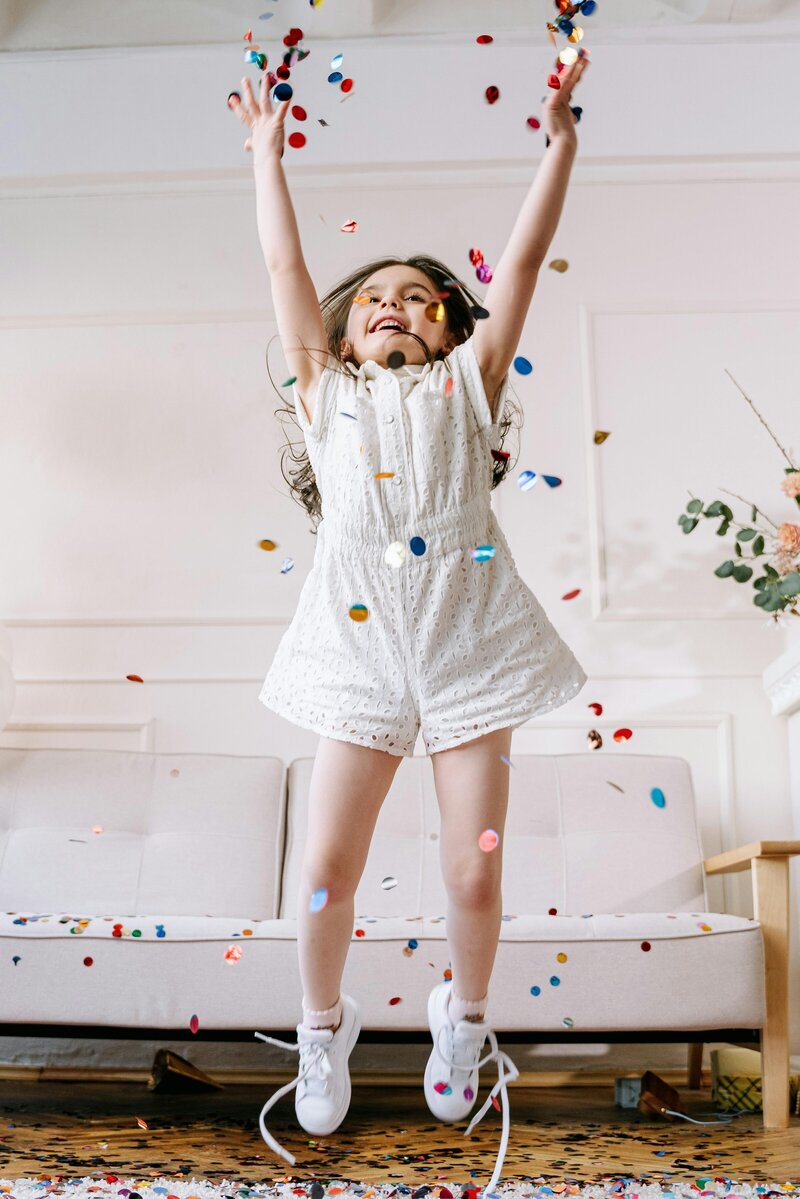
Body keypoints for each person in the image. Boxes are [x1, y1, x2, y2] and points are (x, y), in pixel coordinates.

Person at [229, 50, 589, 1193]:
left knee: (472, 874)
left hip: (468, 651)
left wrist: (558, 141)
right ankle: (322, 1024)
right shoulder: (323, 393)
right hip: (357, 654)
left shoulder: (467, 386)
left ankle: (464, 1020)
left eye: (417, 296)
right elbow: (284, 260)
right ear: (342, 337)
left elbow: (523, 257)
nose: (393, 302)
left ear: (445, 328)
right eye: (373, 295)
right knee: (325, 872)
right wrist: (264, 157)